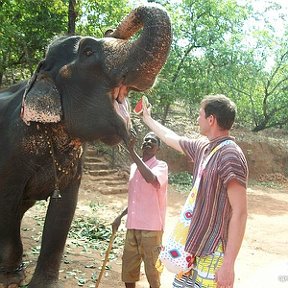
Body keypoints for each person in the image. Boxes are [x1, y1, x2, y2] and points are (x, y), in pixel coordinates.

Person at [141, 94, 248, 288]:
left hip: (213, 252)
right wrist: (147, 118)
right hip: (191, 247)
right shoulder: (204, 148)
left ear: (211, 119)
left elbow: (240, 213)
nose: (197, 119)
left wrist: (228, 264)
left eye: (200, 115)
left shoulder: (230, 155)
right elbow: (170, 137)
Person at [112, 132, 168, 288]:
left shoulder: (161, 166)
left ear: (158, 148)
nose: (148, 141)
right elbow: (136, 201)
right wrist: (120, 216)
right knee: (128, 269)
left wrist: (132, 152)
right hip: (133, 226)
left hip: (152, 228)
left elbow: (150, 178)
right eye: (146, 139)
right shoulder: (133, 167)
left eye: (153, 141)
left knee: (153, 272)